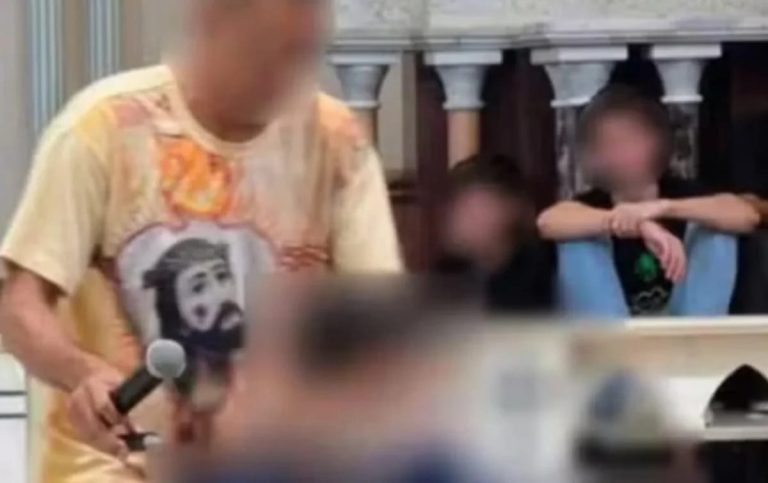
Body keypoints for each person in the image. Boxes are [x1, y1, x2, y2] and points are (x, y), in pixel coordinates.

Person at [0, 0, 401, 481]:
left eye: (298, 54)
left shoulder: (337, 141)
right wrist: (81, 373)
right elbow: (18, 305)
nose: (283, 77)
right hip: (107, 468)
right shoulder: (102, 129)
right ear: (212, 27)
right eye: (264, 52)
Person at [537, 86, 759, 317]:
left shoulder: (686, 193)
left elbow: (747, 216)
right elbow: (547, 222)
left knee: (717, 229)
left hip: (686, 325)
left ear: (658, 142)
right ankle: (612, 339)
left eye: (630, 141)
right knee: (576, 239)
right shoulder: (589, 205)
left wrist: (662, 208)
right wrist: (635, 223)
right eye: (607, 144)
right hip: (612, 330)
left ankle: (696, 337)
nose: (619, 154)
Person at [435, 154, 556, 313]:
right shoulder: (448, 273)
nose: (457, 217)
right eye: (455, 206)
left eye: (472, 208)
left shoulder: (545, 270)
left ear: (512, 207)